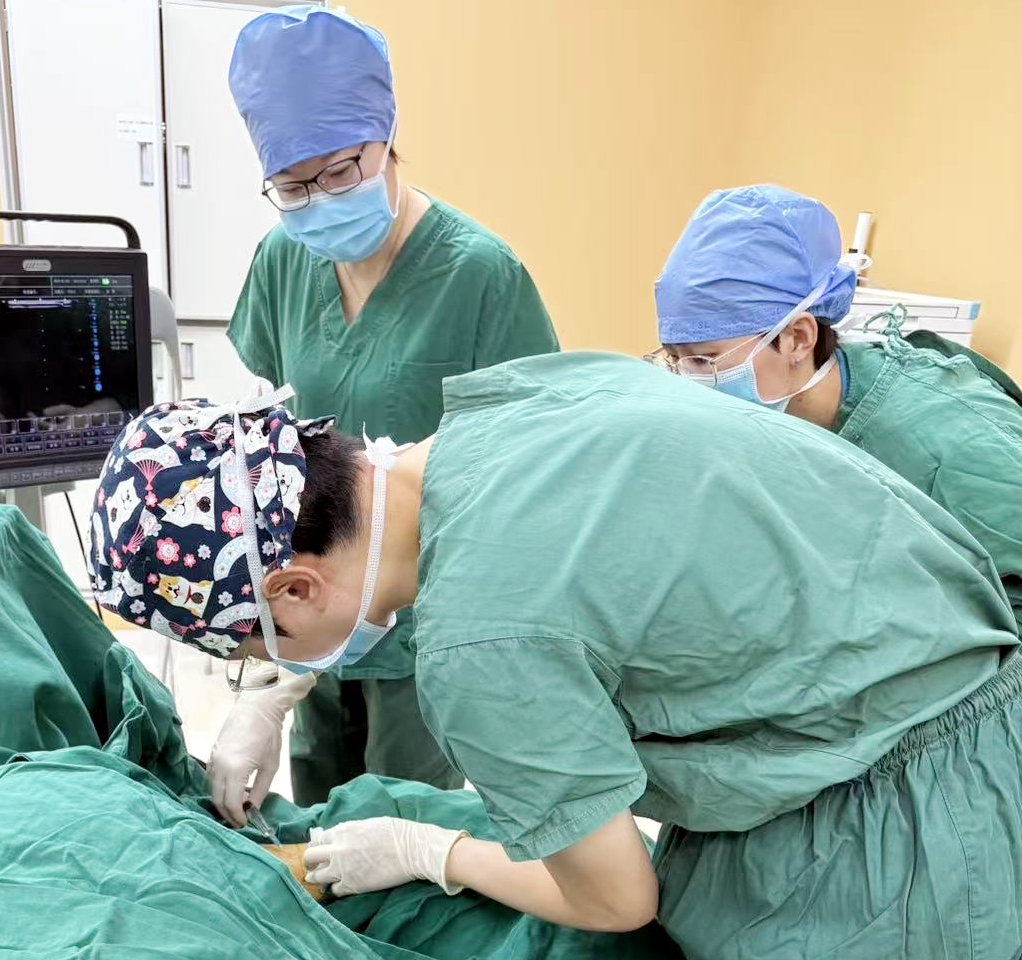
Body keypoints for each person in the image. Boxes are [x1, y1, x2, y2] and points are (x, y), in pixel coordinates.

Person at [90, 355, 1022, 958]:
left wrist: (430, 850)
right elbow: (565, 565)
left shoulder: (480, 648)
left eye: (253, 646)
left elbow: (618, 900)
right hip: (951, 685)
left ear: (294, 587)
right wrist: (279, 692)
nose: (263, 661)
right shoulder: (518, 403)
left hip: (910, 830)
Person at [217, 5, 559, 812]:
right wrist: (267, 680)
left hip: (423, 610)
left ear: (387, 138)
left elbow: (532, 461)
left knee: (401, 813)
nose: (319, 200)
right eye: (293, 186)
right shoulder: (283, 257)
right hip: (309, 599)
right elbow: (272, 429)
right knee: (314, 809)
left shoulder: (480, 275)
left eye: (341, 172)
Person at [652, 184, 1022, 631]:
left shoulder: (952, 441)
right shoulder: (780, 415)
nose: (688, 379)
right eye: (674, 358)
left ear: (798, 338)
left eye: (704, 360)